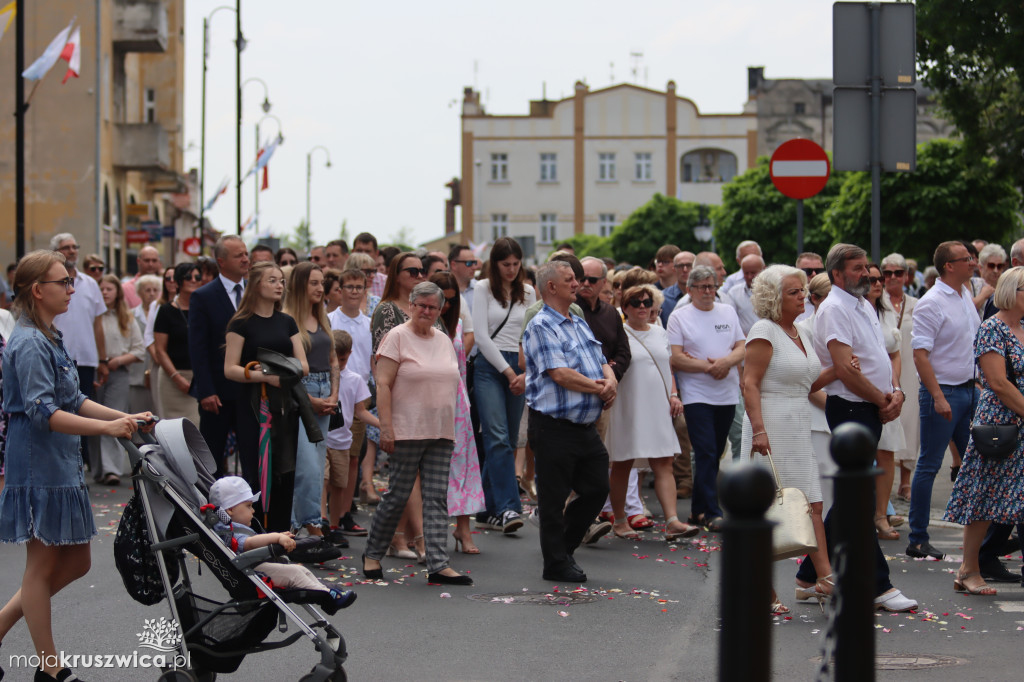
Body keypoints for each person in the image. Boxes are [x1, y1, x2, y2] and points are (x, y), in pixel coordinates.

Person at [0, 250, 151, 682]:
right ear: (37, 290)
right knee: (41, 566)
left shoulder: (49, 334)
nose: (71, 288)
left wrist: (124, 418)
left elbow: (73, 400)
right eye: (63, 281)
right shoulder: (28, 342)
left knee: (78, 562)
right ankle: (51, 670)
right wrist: (107, 430)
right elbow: (43, 412)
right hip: (37, 465)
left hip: (60, 462)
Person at [797, 243, 918, 613]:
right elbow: (845, 369)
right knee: (860, 499)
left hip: (869, 407)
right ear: (836, 275)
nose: (866, 274)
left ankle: (806, 575)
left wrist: (894, 391)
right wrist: (884, 400)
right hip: (850, 409)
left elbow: (879, 357)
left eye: (866, 267)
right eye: (856, 268)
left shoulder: (863, 304)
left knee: (852, 497)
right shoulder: (833, 309)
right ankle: (877, 584)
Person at [362, 282, 471, 586]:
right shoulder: (396, 337)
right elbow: (382, 384)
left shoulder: (443, 340)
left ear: (440, 310)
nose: (425, 311)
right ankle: (372, 554)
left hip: (440, 431)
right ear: (410, 305)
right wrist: (385, 426)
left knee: (436, 498)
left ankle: (438, 564)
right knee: (397, 496)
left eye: (432, 307)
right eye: (420, 305)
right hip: (406, 430)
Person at [739, 265, 832, 614]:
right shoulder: (764, 330)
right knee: (770, 511)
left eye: (803, 290)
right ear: (774, 298)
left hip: (797, 422)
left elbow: (804, 383)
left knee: (812, 505)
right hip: (771, 424)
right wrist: (759, 430)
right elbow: (750, 383)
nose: (802, 296)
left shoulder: (799, 331)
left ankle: (825, 577)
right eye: (794, 292)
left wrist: (839, 370)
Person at [523, 261, 615, 583]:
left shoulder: (576, 320)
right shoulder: (541, 325)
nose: (577, 284)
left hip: (583, 426)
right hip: (553, 426)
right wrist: (599, 388)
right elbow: (559, 374)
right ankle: (557, 563)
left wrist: (610, 379)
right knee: (552, 498)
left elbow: (601, 359)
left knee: (597, 487)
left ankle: (562, 549)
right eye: (570, 279)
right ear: (551, 287)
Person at [943, 267, 1024, 596]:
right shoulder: (993, 328)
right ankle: (968, 569)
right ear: (1013, 292)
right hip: (1001, 426)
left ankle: (976, 566)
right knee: (984, 500)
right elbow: (998, 383)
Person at [606, 284, 700, 541]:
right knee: (623, 463)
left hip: (658, 404)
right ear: (624, 307)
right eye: (635, 303)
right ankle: (620, 520)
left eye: (647, 302)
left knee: (664, 462)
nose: (642, 307)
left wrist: (673, 394)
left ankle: (672, 521)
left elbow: (667, 368)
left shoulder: (660, 332)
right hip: (628, 405)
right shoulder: (618, 333)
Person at [908, 241, 980, 560]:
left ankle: (983, 534)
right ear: (949, 266)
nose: (973, 263)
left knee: (978, 464)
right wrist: (936, 395)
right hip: (945, 391)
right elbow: (920, 355)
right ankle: (918, 537)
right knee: (930, 464)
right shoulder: (932, 302)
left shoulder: (964, 294)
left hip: (968, 389)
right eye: (967, 259)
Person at [223, 262, 308, 532]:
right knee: (257, 470)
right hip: (253, 404)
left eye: (281, 280)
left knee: (285, 469)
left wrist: (275, 371)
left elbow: (302, 365)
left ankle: (282, 534)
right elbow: (230, 368)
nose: (279, 285)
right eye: (272, 280)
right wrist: (262, 376)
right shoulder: (241, 323)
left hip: (285, 404)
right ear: (256, 284)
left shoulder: (287, 321)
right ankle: (255, 533)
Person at [667, 265, 744, 532]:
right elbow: (675, 357)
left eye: (712, 286)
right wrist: (708, 367)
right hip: (696, 394)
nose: (708, 292)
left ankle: (698, 510)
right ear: (690, 290)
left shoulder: (727, 311)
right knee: (706, 450)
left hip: (726, 393)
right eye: (702, 287)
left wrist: (726, 362)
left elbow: (741, 346)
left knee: (714, 452)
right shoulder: (680, 317)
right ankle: (712, 512)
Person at [209, 477, 356, 611]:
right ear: (230, 509)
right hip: (252, 572)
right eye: (248, 506)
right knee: (295, 573)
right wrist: (275, 537)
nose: (253, 510)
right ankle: (327, 596)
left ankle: (326, 590)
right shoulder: (229, 532)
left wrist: (276, 536)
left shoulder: (232, 527)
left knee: (300, 570)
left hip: (254, 567)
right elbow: (250, 543)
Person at [472, 237, 536, 534]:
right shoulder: (483, 287)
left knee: (508, 441)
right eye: (505, 264)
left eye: (515, 264)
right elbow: (482, 337)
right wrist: (510, 373)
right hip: (490, 366)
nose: (511, 269)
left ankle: (486, 507)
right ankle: (510, 507)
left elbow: (531, 335)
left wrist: (525, 372)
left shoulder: (529, 290)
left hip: (519, 364)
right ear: (495, 264)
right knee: (497, 437)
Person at [189, 235, 255, 477]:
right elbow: (198, 347)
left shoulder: (254, 293)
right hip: (217, 393)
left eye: (246, 253)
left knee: (251, 455)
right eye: (239, 255)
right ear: (221, 261)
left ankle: (251, 509)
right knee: (212, 457)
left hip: (250, 389)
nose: (245, 259)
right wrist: (206, 390)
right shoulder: (203, 297)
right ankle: (211, 509)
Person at [576, 256, 632, 539]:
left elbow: (624, 351)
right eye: (581, 278)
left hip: (604, 396)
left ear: (603, 283)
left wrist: (611, 376)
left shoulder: (611, 313)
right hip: (577, 394)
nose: (585, 284)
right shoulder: (571, 311)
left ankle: (586, 516)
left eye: (592, 280)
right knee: (579, 459)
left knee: (598, 459)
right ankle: (581, 518)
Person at [430, 272, 485, 554]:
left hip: (457, 403)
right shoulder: (420, 327)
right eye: (443, 300)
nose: (447, 307)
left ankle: (463, 529)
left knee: (463, 466)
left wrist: (464, 405)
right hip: (429, 404)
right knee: (432, 469)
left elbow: (461, 370)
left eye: (452, 301)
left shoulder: (459, 324)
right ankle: (429, 531)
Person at [283, 262, 338, 538]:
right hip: (300, 392)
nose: (320, 288)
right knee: (305, 464)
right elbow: (287, 371)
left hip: (325, 390)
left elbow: (333, 361)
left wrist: (334, 394)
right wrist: (311, 400)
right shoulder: (287, 319)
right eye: (314, 283)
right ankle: (306, 524)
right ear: (300, 285)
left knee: (316, 465)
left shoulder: (322, 316)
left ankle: (307, 523)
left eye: (322, 283)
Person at [321, 330, 377, 545]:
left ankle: (334, 525)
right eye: (335, 358)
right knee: (323, 481)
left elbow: (360, 411)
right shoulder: (321, 376)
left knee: (339, 486)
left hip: (343, 442)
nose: (339, 363)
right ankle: (322, 521)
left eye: (343, 359)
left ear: (349, 355)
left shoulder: (354, 380)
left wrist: (384, 425)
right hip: (323, 440)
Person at [866, 264, 907, 541]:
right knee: (860, 456)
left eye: (880, 278)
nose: (879, 283)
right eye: (872, 279)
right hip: (861, 392)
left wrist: (895, 388)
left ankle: (881, 513)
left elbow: (894, 353)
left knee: (886, 452)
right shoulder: (851, 310)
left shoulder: (885, 311)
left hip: (887, 393)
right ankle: (861, 513)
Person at [328, 269, 376, 506]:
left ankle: (345, 511)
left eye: (359, 287)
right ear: (340, 289)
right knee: (329, 456)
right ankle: (327, 511)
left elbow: (373, 362)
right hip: (332, 393)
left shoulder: (369, 325)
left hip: (358, 396)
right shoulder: (329, 320)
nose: (354, 291)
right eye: (349, 287)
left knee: (353, 456)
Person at [92, 275, 145, 485]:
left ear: (117, 292)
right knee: (93, 422)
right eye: (101, 289)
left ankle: (112, 469)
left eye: (109, 289)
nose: (105, 292)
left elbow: (139, 350)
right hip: (95, 370)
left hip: (119, 372)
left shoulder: (126, 318)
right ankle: (98, 469)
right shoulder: (92, 316)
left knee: (113, 419)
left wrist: (119, 360)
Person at [881, 254, 920, 504]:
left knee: (911, 424)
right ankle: (885, 482)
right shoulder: (875, 302)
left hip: (911, 370)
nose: (892, 277)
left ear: (906, 276)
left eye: (898, 273)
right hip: (885, 371)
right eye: (887, 273)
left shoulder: (918, 304)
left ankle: (906, 481)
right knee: (886, 423)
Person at [152, 263, 202, 425]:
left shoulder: (203, 309)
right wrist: (176, 377)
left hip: (199, 378)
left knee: (197, 427)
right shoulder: (166, 311)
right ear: (179, 281)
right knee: (176, 430)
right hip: (172, 378)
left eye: (197, 277)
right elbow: (160, 350)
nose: (193, 280)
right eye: (188, 277)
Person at [660, 251, 695, 326]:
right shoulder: (662, 298)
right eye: (680, 266)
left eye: (689, 265)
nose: (685, 269)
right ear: (674, 269)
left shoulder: (705, 296)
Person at [352, 233, 387, 298]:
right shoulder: (341, 281)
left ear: (376, 254)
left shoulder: (386, 283)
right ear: (352, 252)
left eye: (367, 251)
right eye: (359, 251)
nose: (363, 255)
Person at [449, 244, 479, 313]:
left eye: (474, 263)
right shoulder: (445, 290)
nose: (474, 267)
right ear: (454, 265)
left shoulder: (480, 288)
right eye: (469, 263)